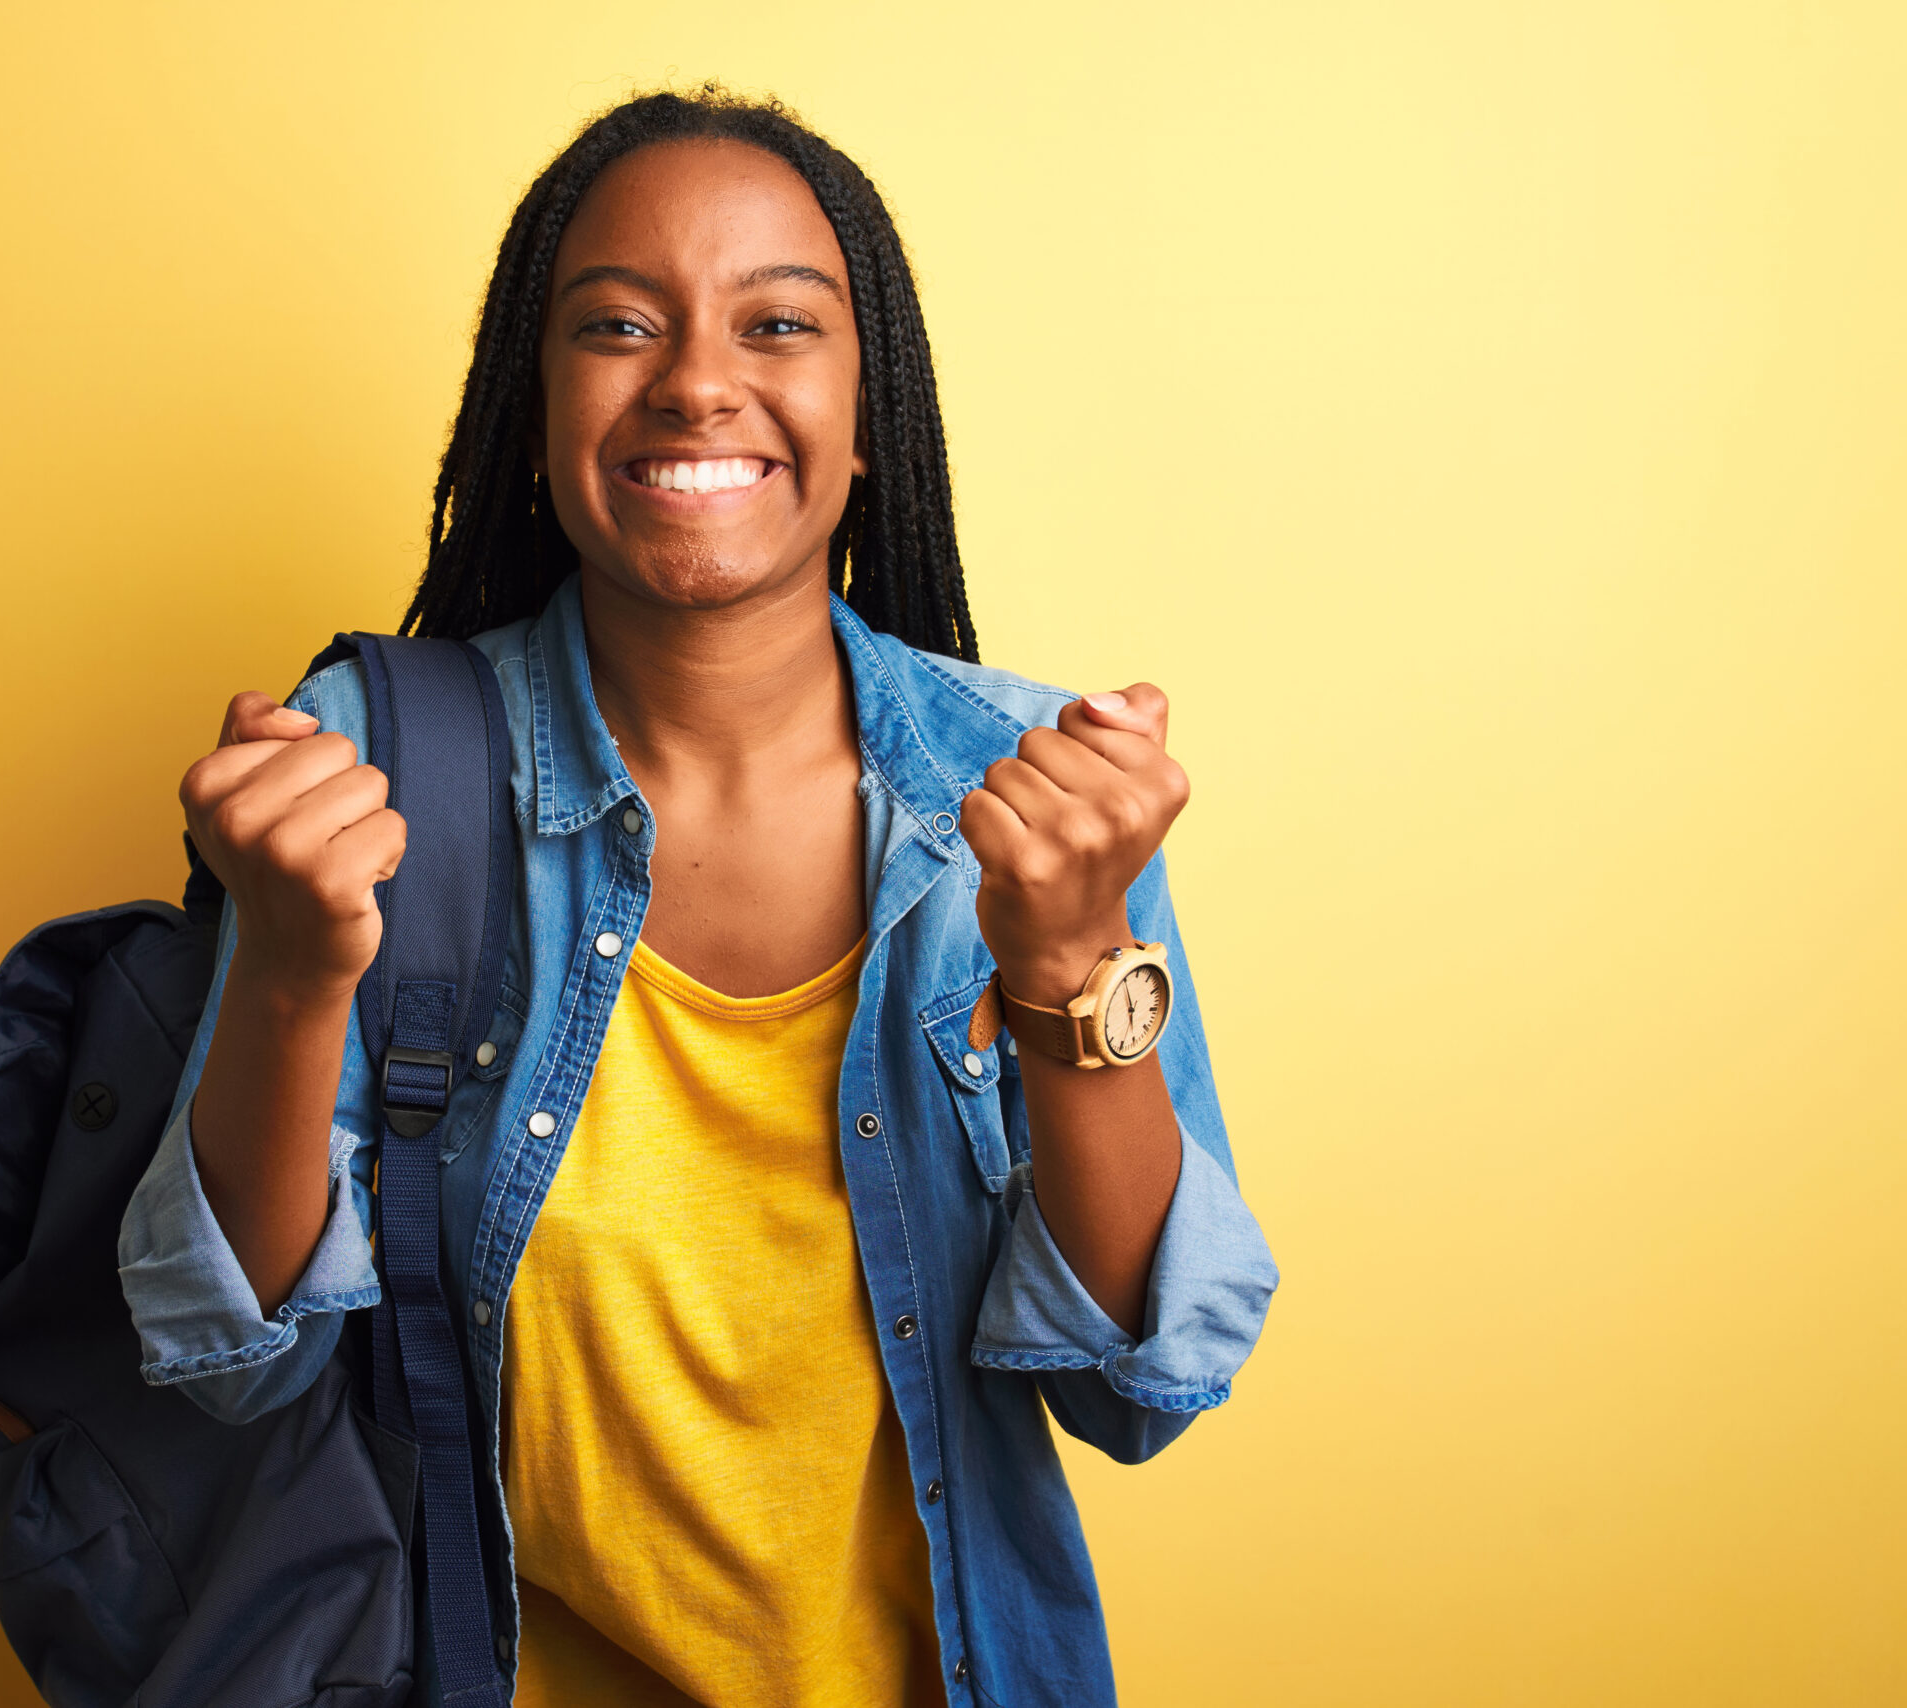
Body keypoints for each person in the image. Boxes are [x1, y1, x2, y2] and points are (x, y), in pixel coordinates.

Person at [118, 88, 1277, 1708]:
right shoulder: (379, 758)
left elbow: (1140, 1389)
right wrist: (297, 978)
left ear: (872, 413)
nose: (698, 383)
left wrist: (1074, 964)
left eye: (779, 323)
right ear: (534, 408)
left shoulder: (1033, 793)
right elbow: (237, 1357)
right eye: (616, 325)